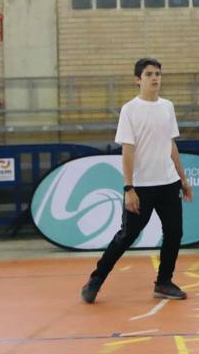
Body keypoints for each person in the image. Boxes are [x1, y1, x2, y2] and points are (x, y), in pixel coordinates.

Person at [81, 57, 191, 304]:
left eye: (158, 74)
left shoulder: (167, 107)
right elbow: (128, 150)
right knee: (127, 236)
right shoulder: (130, 110)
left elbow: (170, 144)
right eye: (150, 74)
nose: (155, 78)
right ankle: (95, 280)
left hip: (168, 183)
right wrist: (128, 188)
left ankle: (163, 282)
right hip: (141, 187)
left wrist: (183, 178)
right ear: (138, 79)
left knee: (174, 232)